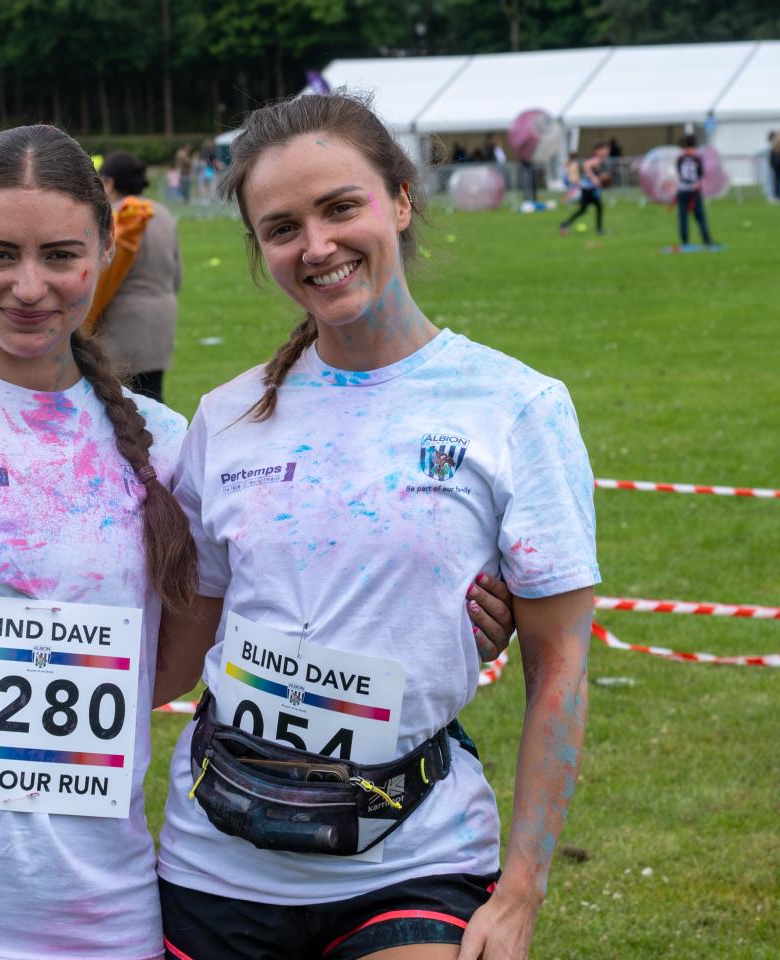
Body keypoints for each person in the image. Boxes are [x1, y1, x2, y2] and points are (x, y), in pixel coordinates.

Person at [0, 122, 519, 960]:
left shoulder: (168, 444)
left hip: (99, 921)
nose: (30, 287)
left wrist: (449, 604)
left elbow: (201, 640)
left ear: (105, 249)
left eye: (60, 255)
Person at [154, 92, 597, 960]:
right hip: (216, 858)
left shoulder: (517, 408)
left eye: (339, 207)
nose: (316, 246)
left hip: (415, 858)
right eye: (282, 227)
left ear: (398, 199)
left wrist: (520, 894)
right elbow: (185, 643)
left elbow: (562, 669)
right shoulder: (227, 416)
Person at [85, 151, 181, 403]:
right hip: (162, 319)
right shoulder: (162, 213)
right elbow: (176, 274)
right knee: (153, 402)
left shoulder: (112, 218)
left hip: (120, 324)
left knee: (122, 408)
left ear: (110, 182)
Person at [674, 135, 715, 248]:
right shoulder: (697, 158)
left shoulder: (680, 159)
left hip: (682, 189)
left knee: (683, 216)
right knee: (700, 216)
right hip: (694, 190)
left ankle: (685, 241)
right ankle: (706, 239)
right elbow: (700, 174)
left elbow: (679, 173)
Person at [559, 141, 607, 236]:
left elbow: (594, 171)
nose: (605, 152)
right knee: (596, 207)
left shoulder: (599, 160)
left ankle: (565, 224)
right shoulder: (595, 159)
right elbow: (587, 166)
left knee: (585, 209)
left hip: (590, 189)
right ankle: (599, 230)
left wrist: (601, 177)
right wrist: (594, 178)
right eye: (604, 150)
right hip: (588, 189)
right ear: (597, 151)